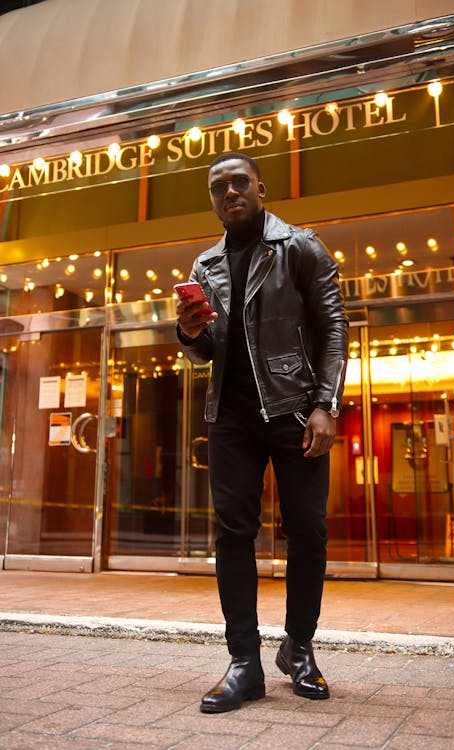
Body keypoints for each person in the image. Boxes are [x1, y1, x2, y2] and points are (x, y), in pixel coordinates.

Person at [176, 152, 348, 714]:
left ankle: (298, 649)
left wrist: (325, 404)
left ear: (260, 187)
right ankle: (244, 663)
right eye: (218, 187)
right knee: (232, 535)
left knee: (308, 530)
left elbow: (332, 327)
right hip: (229, 417)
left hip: (295, 411)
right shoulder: (206, 265)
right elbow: (209, 351)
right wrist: (189, 332)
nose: (229, 192)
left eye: (239, 182)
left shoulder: (299, 247)